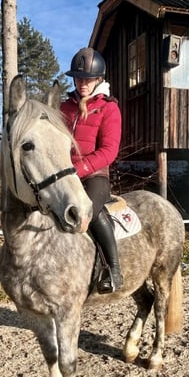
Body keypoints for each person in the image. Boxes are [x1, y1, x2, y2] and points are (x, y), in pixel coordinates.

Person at [60, 47, 123, 293]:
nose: (82, 83)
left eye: (87, 79)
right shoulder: (64, 107)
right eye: (78, 78)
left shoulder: (109, 108)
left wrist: (80, 167)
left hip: (95, 176)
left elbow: (109, 151)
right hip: (64, 175)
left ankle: (113, 270)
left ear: (99, 79)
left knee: (90, 212)